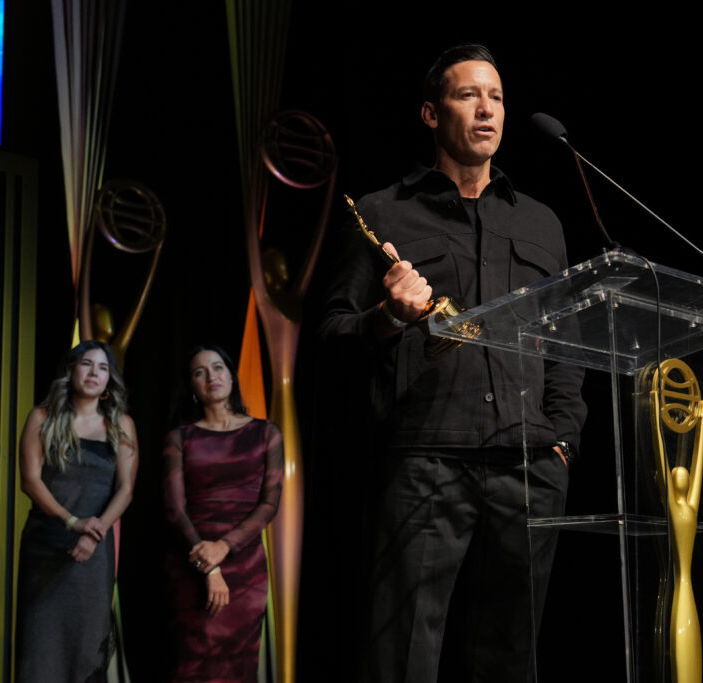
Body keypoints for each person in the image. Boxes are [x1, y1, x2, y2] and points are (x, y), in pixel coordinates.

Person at [318, 44, 588, 682]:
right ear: (431, 113)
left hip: (527, 463)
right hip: (424, 462)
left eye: (496, 97)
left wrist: (563, 438)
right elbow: (329, 336)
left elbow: (567, 345)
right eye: (469, 95)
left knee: (510, 657)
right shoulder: (382, 213)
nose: (487, 109)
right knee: (402, 655)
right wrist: (389, 318)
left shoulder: (542, 223)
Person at [15, 340, 139, 682]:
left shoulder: (122, 424)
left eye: (103, 367)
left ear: (109, 379)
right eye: (87, 364)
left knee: (86, 651)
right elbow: (30, 481)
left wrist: (94, 531)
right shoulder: (42, 417)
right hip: (46, 545)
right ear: (71, 370)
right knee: (40, 650)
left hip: (94, 552)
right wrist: (72, 522)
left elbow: (126, 489)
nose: (94, 372)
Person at [162, 344, 284, 682]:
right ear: (191, 386)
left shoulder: (267, 433)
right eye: (199, 372)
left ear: (231, 375)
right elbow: (175, 510)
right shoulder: (179, 438)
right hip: (191, 561)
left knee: (239, 667)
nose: (211, 376)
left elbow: (270, 504)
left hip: (246, 569)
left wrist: (224, 547)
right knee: (190, 665)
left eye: (218, 367)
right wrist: (209, 565)